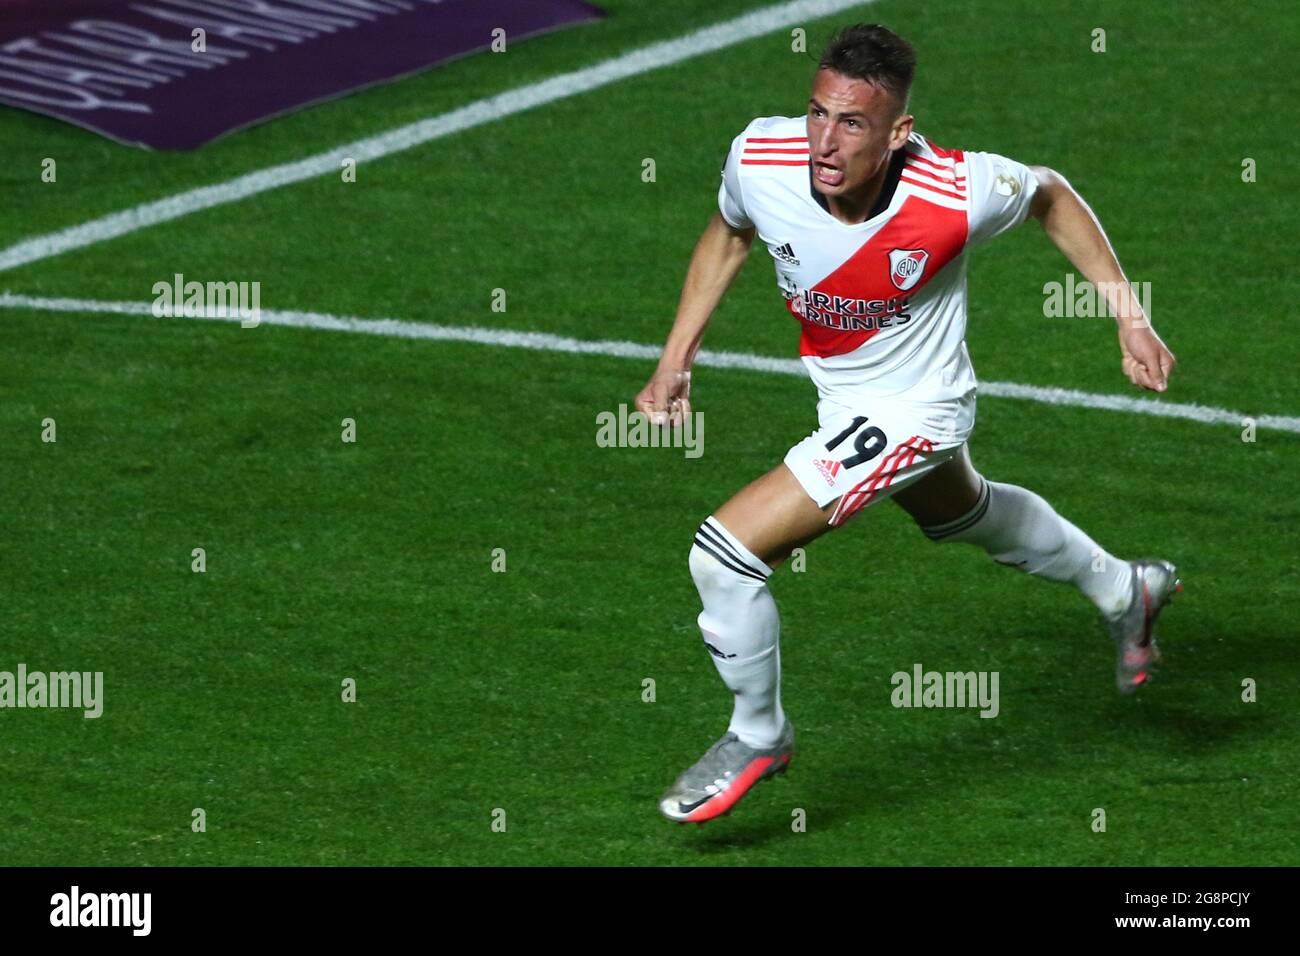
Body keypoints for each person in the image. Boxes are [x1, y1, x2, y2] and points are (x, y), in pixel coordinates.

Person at [637, 23, 1181, 824]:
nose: (824, 141)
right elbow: (729, 232)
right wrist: (675, 357)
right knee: (970, 516)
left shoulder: (955, 191)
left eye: (852, 124)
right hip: (843, 398)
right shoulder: (761, 157)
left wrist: (1127, 315)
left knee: (723, 556)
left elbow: (1050, 193)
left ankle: (759, 733)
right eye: (818, 113)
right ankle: (1125, 588)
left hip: (919, 411)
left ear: (898, 134)